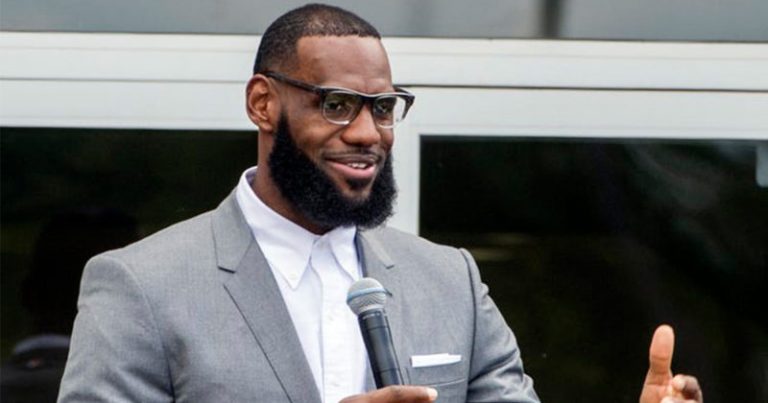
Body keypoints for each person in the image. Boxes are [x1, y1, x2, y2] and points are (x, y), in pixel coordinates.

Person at [58, 4, 703, 403]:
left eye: (384, 108)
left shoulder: (449, 280)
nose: (369, 134)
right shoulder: (143, 285)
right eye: (337, 104)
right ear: (263, 103)